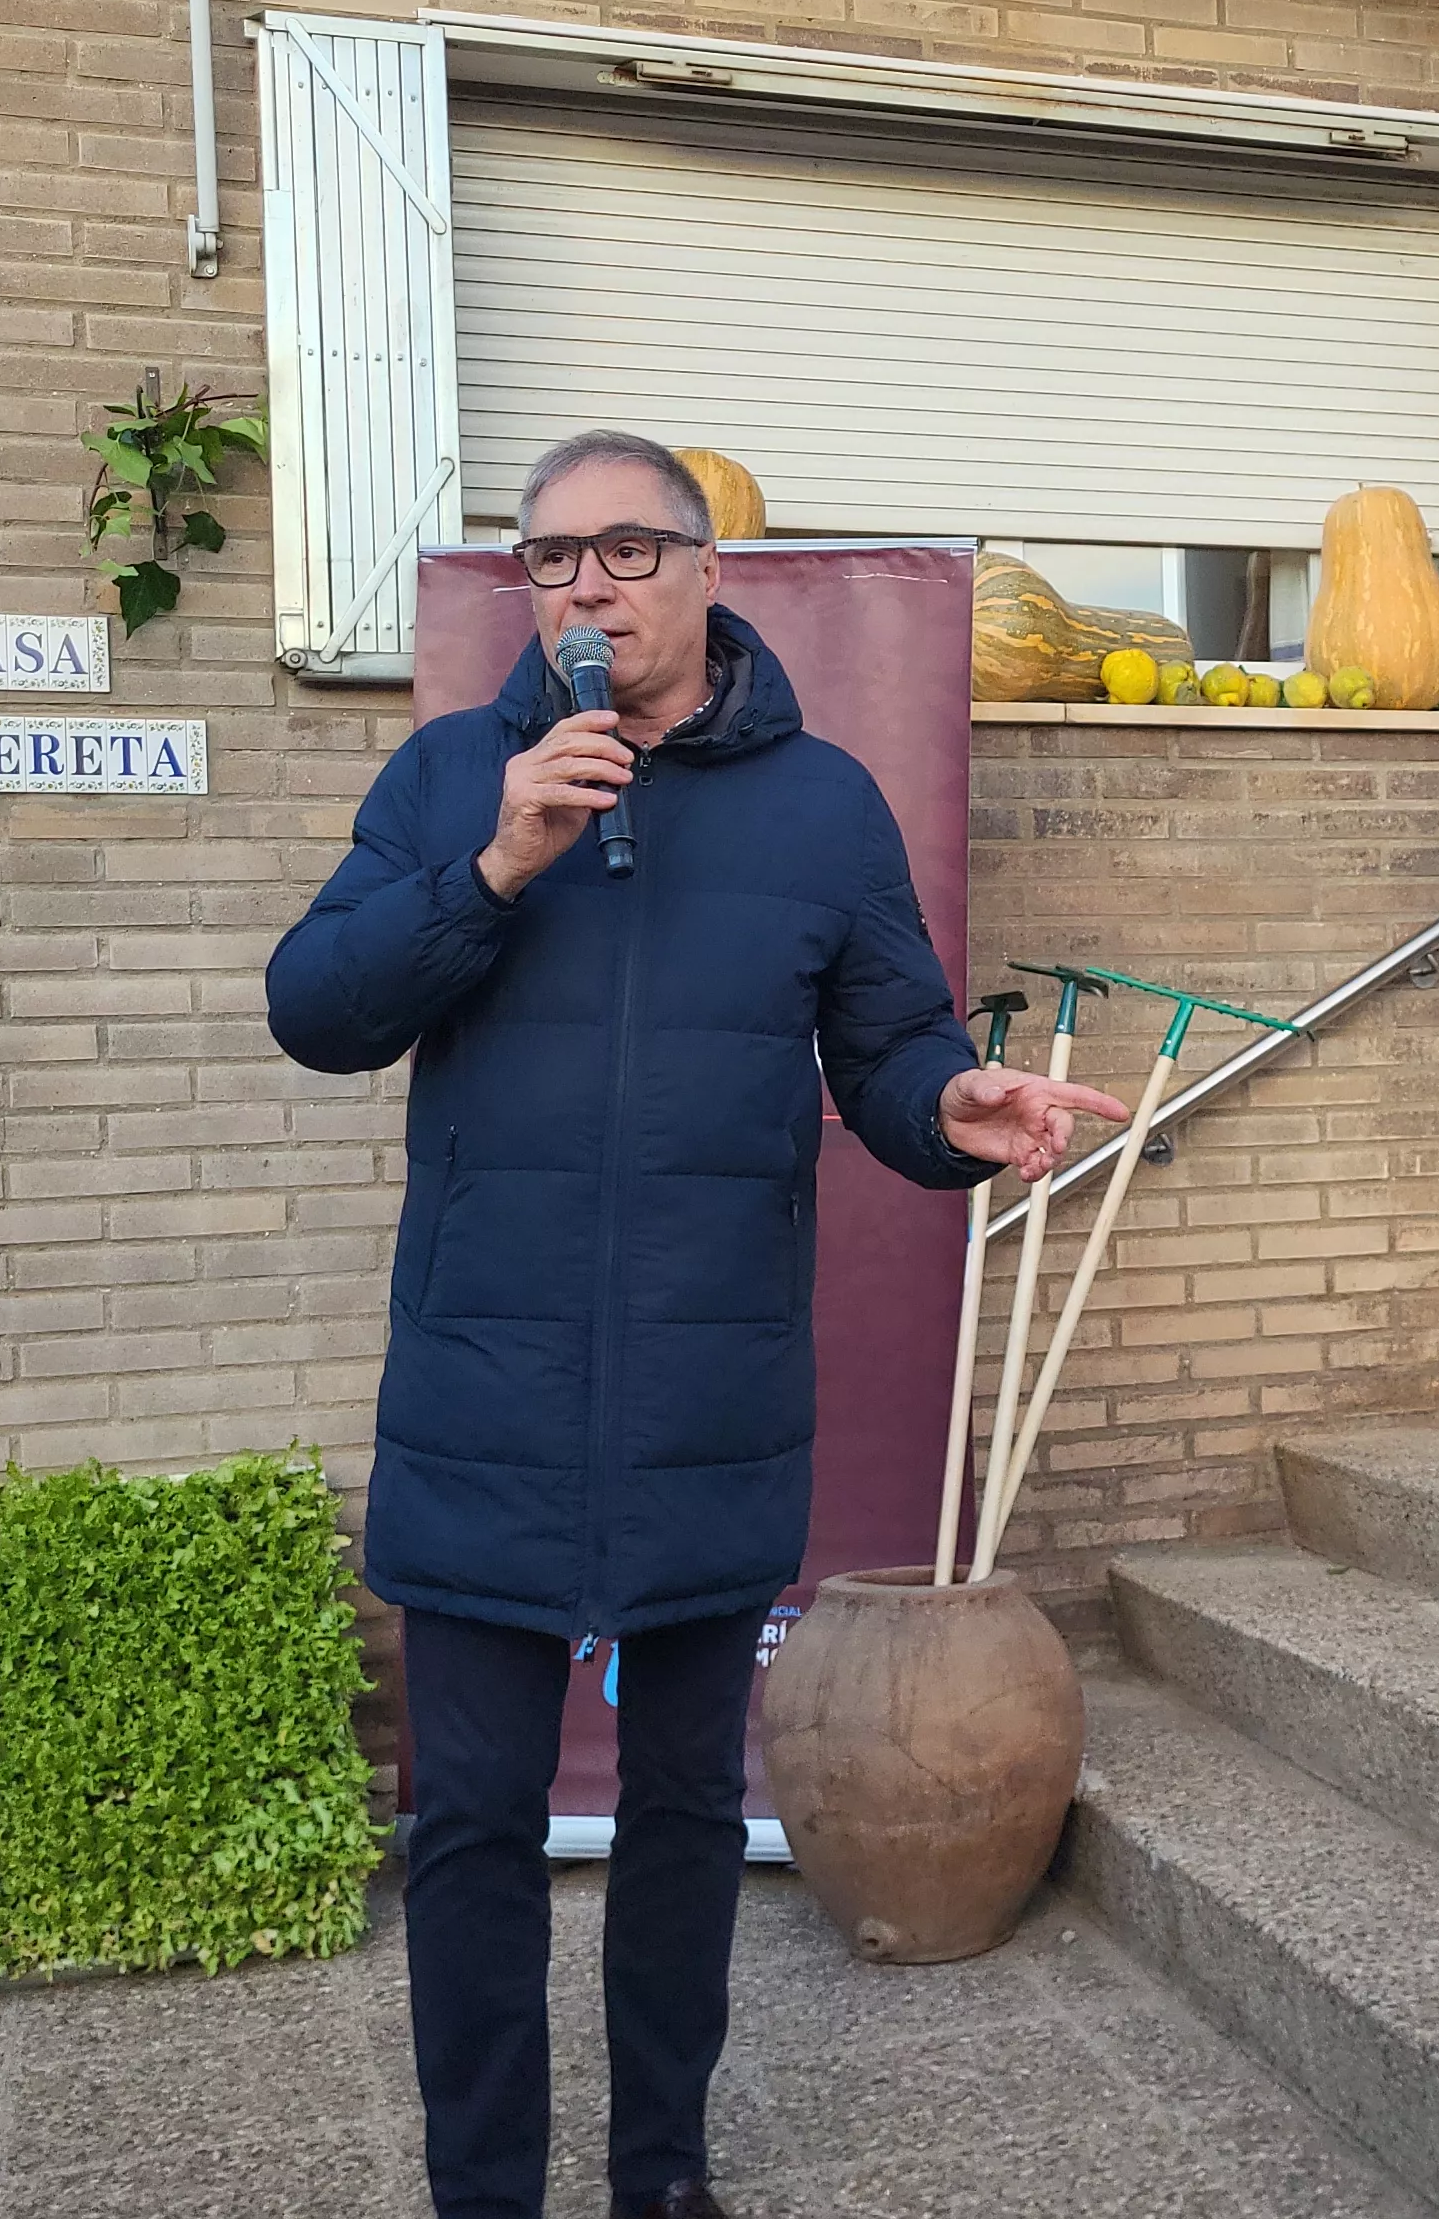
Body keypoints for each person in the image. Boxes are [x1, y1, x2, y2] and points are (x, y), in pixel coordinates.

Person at [266, 430, 1125, 2219]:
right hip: (482, 1397)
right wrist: (496, 863)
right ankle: (483, 2193)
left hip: (711, 1394)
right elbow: (316, 1008)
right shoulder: (450, 781)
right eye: (553, 558)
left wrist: (947, 1110)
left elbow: (891, 1049)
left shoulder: (823, 806)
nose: (588, 585)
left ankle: (662, 2176)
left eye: (628, 549)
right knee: (479, 1832)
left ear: (709, 567)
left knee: (679, 1829)